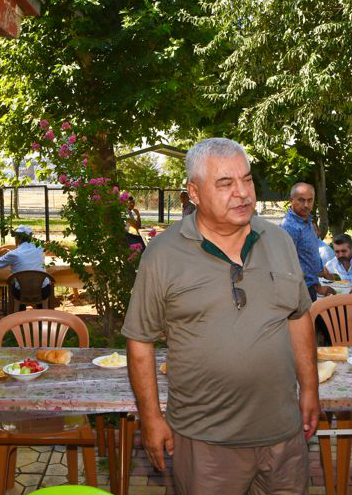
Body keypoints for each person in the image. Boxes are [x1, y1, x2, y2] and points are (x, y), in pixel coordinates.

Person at [123, 138, 318, 495]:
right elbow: (140, 340)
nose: (242, 193)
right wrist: (150, 418)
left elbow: (298, 317)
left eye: (247, 180)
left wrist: (310, 389)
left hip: (283, 436)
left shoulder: (278, 240)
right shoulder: (163, 254)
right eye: (226, 183)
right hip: (206, 442)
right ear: (194, 193)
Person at [280, 182, 334, 298]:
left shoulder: (307, 221)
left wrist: (321, 272)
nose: (306, 205)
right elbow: (288, 265)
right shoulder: (290, 226)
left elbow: (307, 256)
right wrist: (316, 286)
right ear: (291, 200)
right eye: (301, 200)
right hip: (300, 291)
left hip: (311, 287)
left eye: (310, 200)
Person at [0, 224, 53, 301]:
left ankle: (19, 308)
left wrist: (4, 254)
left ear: (17, 238)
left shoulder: (14, 254)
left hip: (21, 293)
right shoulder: (40, 249)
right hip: (44, 291)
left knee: (14, 285)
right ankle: (41, 307)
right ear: (31, 237)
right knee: (42, 285)